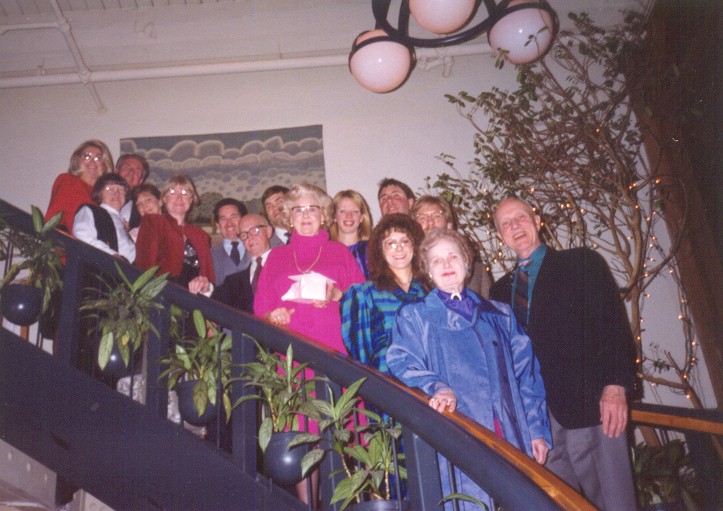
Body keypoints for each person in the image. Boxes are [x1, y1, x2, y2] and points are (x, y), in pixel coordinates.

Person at [489, 197, 637, 511]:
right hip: (539, 425)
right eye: (506, 223)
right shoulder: (498, 292)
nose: (515, 226)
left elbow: (612, 325)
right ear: (501, 236)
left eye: (521, 217)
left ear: (537, 220)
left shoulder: (581, 262)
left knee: (614, 503)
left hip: (592, 409)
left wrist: (616, 387)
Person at [387, 228, 551, 511]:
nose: (446, 264)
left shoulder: (500, 314)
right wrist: (436, 386)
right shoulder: (415, 317)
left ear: (466, 262)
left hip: (507, 433)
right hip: (456, 435)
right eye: (437, 260)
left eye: (453, 256)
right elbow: (402, 359)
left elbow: (527, 376)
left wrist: (536, 430)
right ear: (428, 271)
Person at [254, 183, 365, 505]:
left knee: (337, 436)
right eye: (298, 209)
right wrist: (272, 315)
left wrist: (338, 295)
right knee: (303, 437)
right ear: (288, 217)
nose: (305, 215)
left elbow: (361, 302)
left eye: (312, 209)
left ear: (323, 215)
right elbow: (260, 306)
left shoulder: (339, 252)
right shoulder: (277, 256)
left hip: (333, 353)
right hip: (292, 359)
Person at [341, 213, 426, 376]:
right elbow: (361, 354)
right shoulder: (365, 294)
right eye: (391, 243)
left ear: (415, 247)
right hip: (386, 380)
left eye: (404, 241)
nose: (399, 248)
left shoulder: (429, 292)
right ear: (380, 250)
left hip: (427, 379)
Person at [134, 174, 214, 292]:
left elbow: (208, 277)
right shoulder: (153, 222)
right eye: (172, 192)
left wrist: (206, 286)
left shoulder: (201, 236)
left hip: (194, 298)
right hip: (162, 293)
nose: (179, 198)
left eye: (185, 193)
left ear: (192, 199)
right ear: (164, 199)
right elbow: (144, 268)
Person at [411, 195, 493, 298]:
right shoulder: (407, 270)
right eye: (422, 218)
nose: (430, 222)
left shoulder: (477, 272)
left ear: (449, 225)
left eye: (437, 216)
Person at [46, 140, 114, 231]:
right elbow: (53, 220)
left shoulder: (105, 194)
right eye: (87, 156)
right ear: (77, 161)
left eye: (98, 158)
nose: (92, 162)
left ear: (105, 164)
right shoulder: (68, 181)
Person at [212, 213, 272, 313]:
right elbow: (213, 304)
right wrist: (205, 288)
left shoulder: (288, 264)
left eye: (254, 230)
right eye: (244, 234)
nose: (249, 238)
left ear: (268, 231)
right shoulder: (233, 282)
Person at [72, 173, 136, 263]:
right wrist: (111, 255)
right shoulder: (90, 211)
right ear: (99, 193)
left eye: (121, 189)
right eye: (110, 189)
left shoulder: (124, 224)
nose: (116, 193)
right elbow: (82, 235)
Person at [330, 189, 373, 279]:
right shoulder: (326, 252)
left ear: (362, 217)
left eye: (355, 211)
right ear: (334, 216)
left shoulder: (372, 251)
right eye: (342, 211)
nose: (349, 215)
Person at [210, 198, 250, 285]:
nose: (229, 224)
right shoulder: (210, 254)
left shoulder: (255, 247)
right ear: (217, 225)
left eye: (233, 217)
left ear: (243, 219)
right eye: (223, 219)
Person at [116, 153, 150, 228]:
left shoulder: (143, 207)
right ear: (117, 170)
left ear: (141, 181)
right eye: (127, 167)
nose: (131, 172)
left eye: (137, 171)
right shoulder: (100, 196)